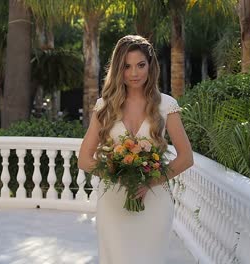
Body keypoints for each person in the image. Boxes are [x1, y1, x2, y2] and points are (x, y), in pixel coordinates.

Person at [78, 35, 194, 264]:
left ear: (151, 66)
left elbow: (186, 158)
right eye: (127, 66)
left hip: (155, 203)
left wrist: (148, 182)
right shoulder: (104, 106)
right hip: (113, 205)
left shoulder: (166, 105)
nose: (134, 73)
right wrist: (118, 176)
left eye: (141, 65)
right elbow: (83, 159)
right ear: (118, 69)